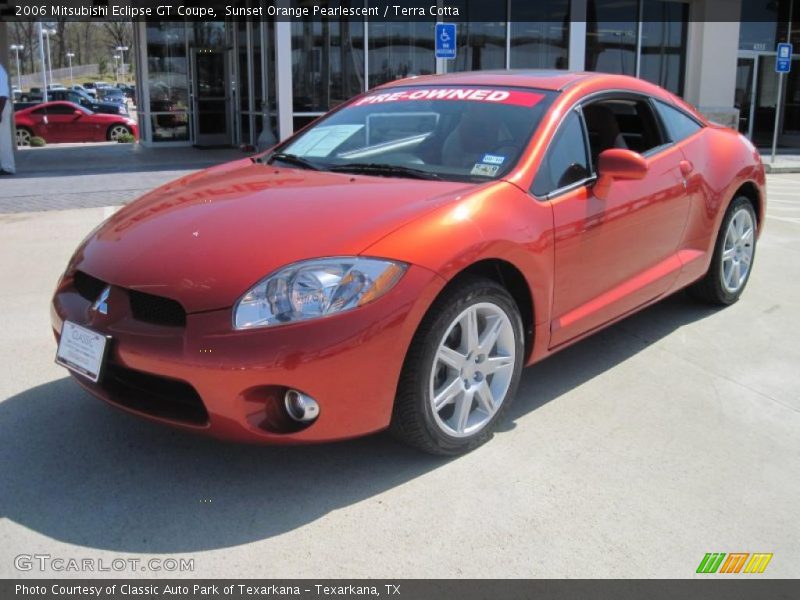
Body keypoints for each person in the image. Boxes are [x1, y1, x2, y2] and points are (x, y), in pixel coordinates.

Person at [0, 59, 15, 175]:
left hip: (1, 106)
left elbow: (2, 94)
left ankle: (7, 167)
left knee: (3, 138)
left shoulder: (0, 71)